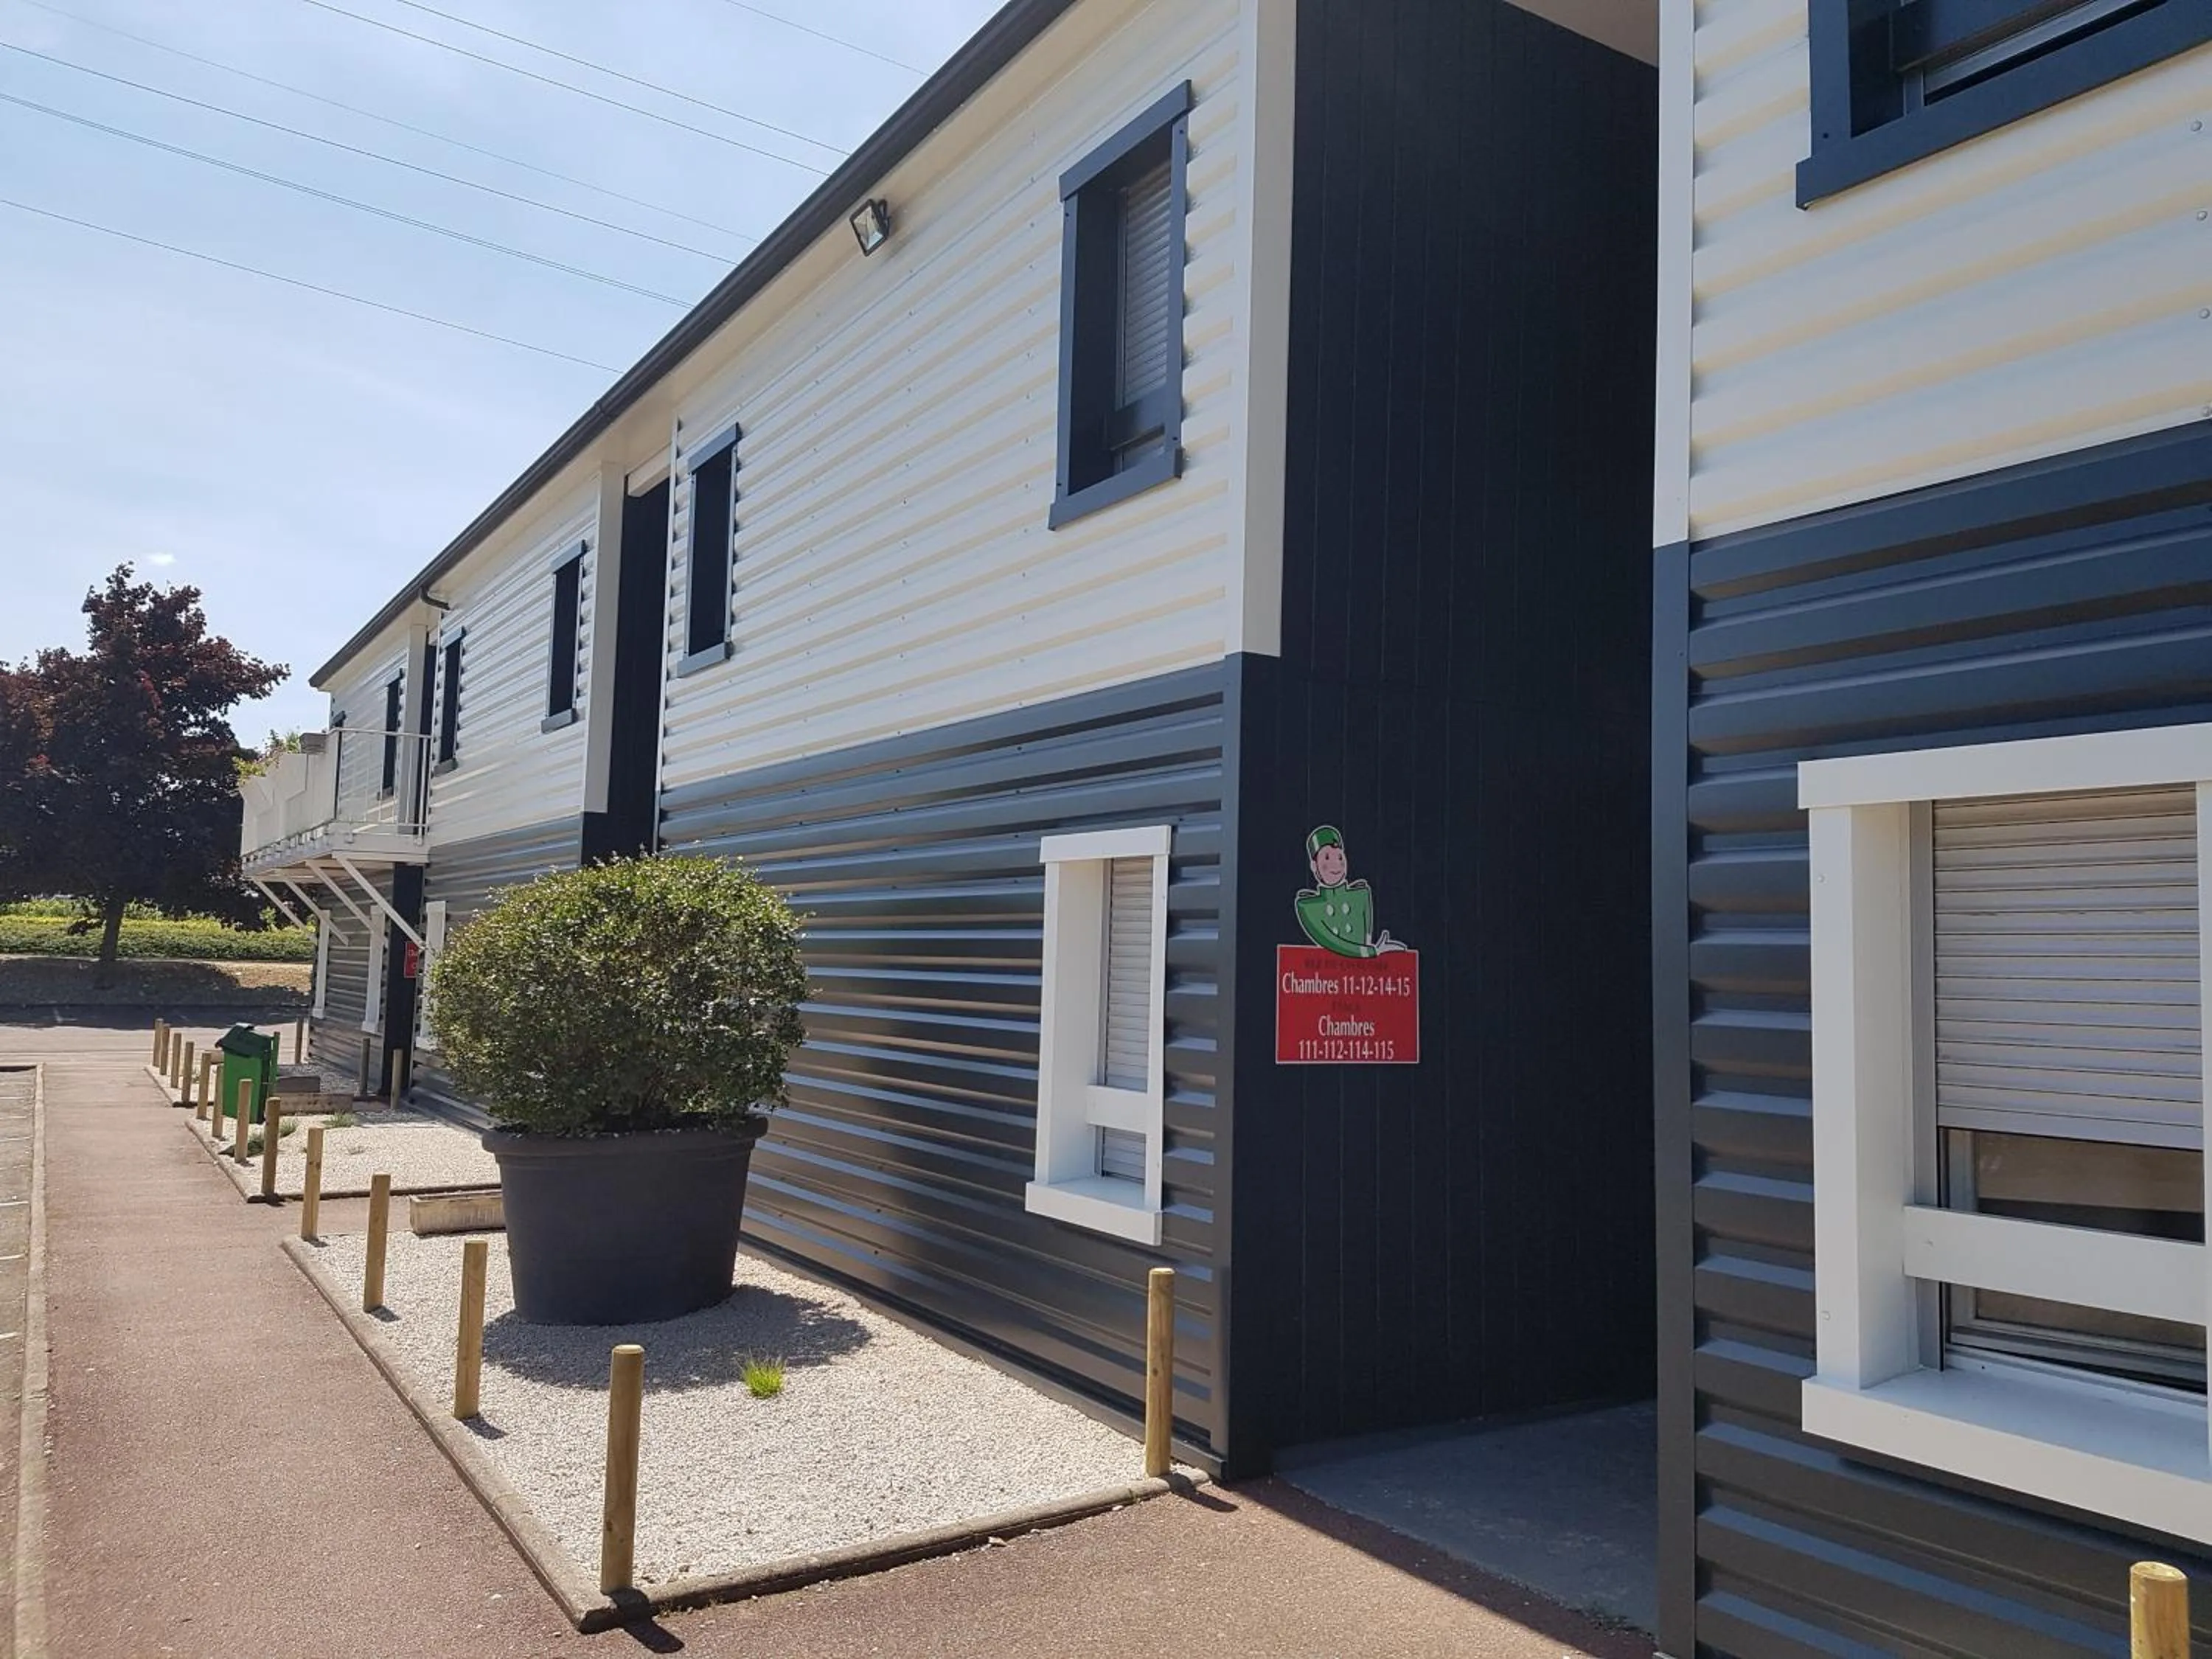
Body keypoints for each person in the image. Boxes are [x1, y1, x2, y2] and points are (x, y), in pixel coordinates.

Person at [1294, 826, 1408, 959]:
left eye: (1340, 858)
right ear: (1314, 866)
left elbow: (1366, 933)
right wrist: (1372, 952)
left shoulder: (1361, 895)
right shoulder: (1308, 907)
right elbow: (1331, 942)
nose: (1336, 864)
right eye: (1327, 858)